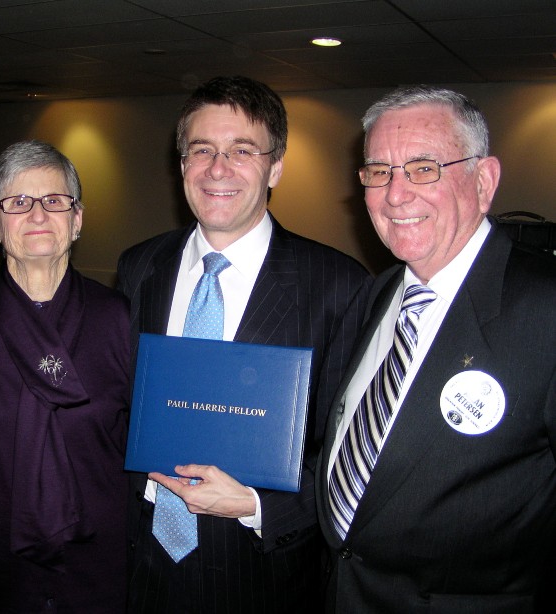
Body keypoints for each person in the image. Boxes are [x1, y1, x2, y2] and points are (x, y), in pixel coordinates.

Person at [117, 75, 372, 613]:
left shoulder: (338, 286)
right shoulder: (139, 267)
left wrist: (256, 505)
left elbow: (348, 458)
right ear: (181, 163)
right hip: (138, 563)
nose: (218, 168)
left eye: (242, 150)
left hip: (260, 574)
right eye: (202, 149)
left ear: (275, 166)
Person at [315, 85, 556, 612]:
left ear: (484, 180)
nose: (395, 194)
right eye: (379, 171)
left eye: (424, 168)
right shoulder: (377, 294)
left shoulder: (546, 308)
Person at [0, 140, 130, 613]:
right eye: (17, 203)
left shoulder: (119, 318)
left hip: (104, 564)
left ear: (77, 220)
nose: (37, 215)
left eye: (54, 201)